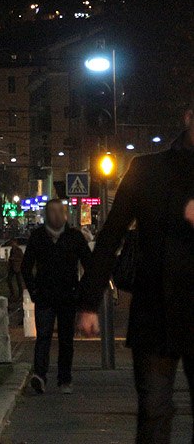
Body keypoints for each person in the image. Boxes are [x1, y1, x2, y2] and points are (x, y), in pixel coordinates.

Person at [77, 99, 194, 444]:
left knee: (156, 411)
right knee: (154, 412)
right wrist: (88, 303)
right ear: (188, 119)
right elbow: (110, 234)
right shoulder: (146, 170)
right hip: (157, 311)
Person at [21, 198, 91, 394]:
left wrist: (80, 290)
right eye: (52, 212)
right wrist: (33, 290)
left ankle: (64, 379)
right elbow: (26, 266)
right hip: (44, 296)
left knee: (66, 339)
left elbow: (89, 264)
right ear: (46, 215)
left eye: (60, 212)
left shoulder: (74, 237)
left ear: (65, 214)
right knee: (43, 336)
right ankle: (40, 376)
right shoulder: (38, 237)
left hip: (68, 296)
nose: (57, 215)